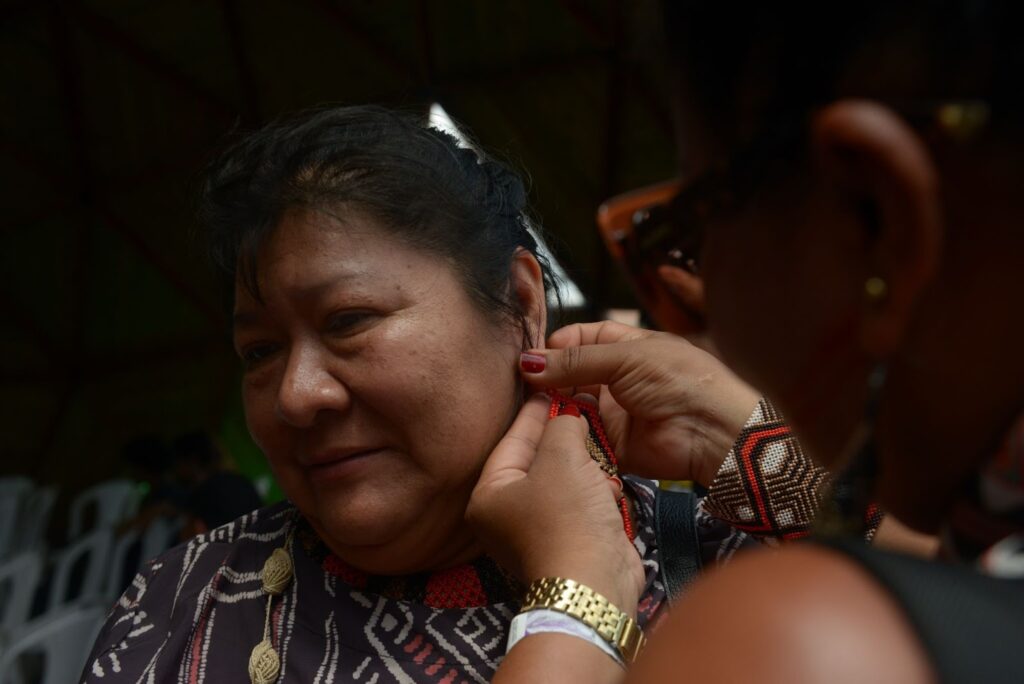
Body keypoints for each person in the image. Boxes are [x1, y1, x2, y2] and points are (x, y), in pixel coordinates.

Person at [82, 105, 802, 683]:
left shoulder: (723, 555)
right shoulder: (183, 602)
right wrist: (576, 607)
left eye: (349, 321)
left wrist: (748, 441)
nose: (297, 396)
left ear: (519, 303)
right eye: (260, 351)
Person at [469, 1, 1024, 682]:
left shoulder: (798, 639)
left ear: (878, 221)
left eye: (686, 231)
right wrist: (736, 437)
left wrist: (575, 590)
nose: (301, 395)